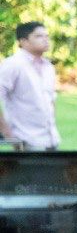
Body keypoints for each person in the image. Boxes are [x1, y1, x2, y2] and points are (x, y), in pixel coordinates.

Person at [0, 21, 59, 150]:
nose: (45, 39)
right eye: (39, 36)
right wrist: (7, 134)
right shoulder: (13, 65)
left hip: (51, 139)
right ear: (23, 41)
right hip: (25, 140)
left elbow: (51, 100)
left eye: (46, 36)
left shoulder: (48, 67)